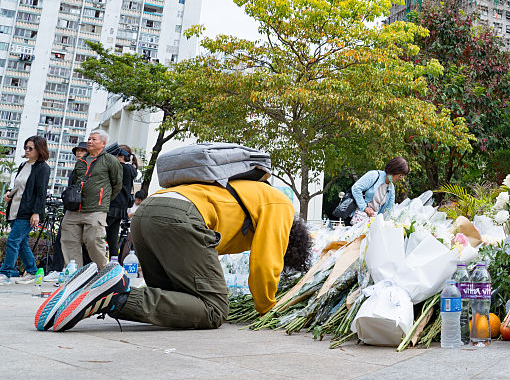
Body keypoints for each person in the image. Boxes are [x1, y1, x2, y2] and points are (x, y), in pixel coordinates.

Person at [40, 178, 312, 332]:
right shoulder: (281, 204)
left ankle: (85, 290)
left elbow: (200, 256)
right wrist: (267, 308)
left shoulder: (244, 192)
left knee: (178, 303)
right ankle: (114, 297)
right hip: (179, 217)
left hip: (147, 214)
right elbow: (265, 264)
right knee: (214, 310)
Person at [60, 130, 122, 269]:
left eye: (94, 139)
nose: (89, 141)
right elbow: (75, 181)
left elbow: (117, 185)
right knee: (69, 240)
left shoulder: (110, 161)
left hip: (96, 209)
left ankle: (103, 271)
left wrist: (103, 199)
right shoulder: (81, 161)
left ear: (103, 143)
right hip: (75, 208)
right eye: (89, 139)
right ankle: (74, 273)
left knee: (93, 240)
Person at [1, 136, 50, 283]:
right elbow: (19, 187)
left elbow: (41, 193)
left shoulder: (43, 168)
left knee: (12, 241)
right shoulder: (23, 165)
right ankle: (32, 271)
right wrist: (9, 194)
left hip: (28, 212)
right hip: (15, 209)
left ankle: (6, 273)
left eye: (30, 148)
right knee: (22, 243)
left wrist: (36, 213)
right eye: (25, 147)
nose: (27, 150)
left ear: (39, 150)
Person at [350, 157, 409, 224]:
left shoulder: (391, 188)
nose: (401, 178)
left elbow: (390, 208)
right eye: (400, 175)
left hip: (372, 222)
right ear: (394, 170)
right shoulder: (374, 175)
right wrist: (364, 208)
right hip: (358, 218)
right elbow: (356, 188)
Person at [105, 145, 138, 262]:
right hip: (121, 208)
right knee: (112, 239)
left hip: (112, 206)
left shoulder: (120, 167)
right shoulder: (130, 169)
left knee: (96, 236)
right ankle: (114, 264)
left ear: (120, 155)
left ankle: (96, 264)